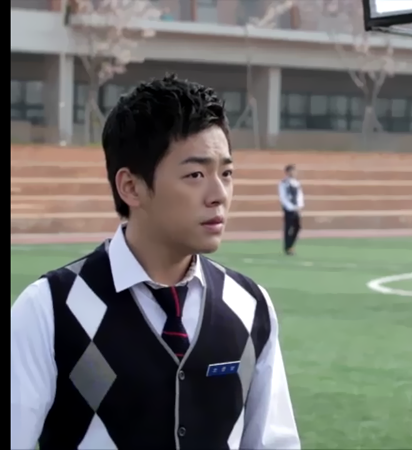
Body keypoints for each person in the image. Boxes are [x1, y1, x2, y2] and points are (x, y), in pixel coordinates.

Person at [10, 74, 301, 449]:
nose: (219, 194)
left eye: (226, 173)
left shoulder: (250, 305)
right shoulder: (48, 309)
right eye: (195, 174)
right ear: (131, 187)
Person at [278, 164, 304, 256]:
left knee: (297, 227)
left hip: (296, 209)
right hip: (288, 208)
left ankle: (291, 245)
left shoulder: (296, 183)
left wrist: (300, 206)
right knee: (288, 228)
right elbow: (283, 197)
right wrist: (290, 207)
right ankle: (288, 247)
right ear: (287, 172)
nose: (294, 173)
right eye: (292, 171)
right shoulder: (283, 183)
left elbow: (300, 195)